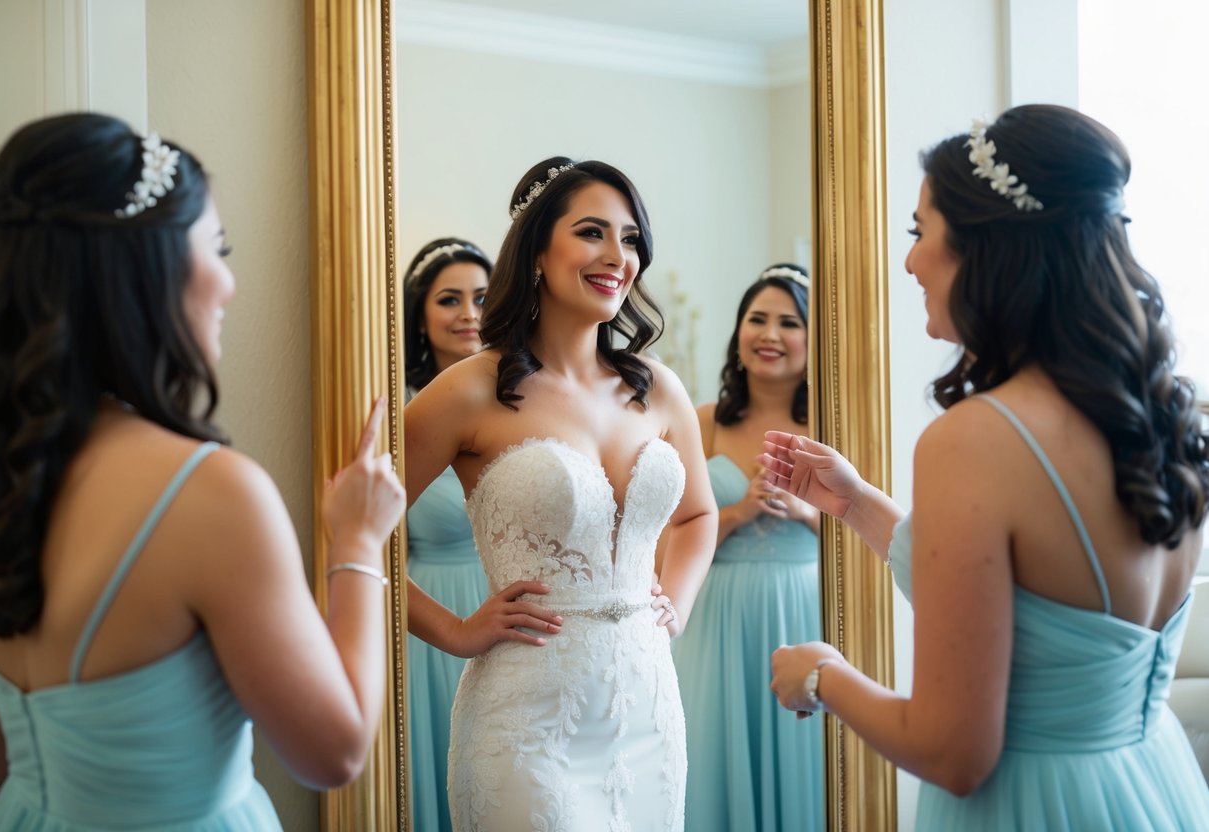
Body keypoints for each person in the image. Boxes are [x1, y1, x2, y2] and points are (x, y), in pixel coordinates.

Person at [765, 104, 1209, 829]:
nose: (908, 262)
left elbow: (953, 754)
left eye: (917, 233)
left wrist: (821, 673)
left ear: (984, 246)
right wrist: (855, 504)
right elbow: (1042, 611)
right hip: (1149, 785)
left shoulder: (976, 437)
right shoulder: (1159, 417)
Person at [0, 113, 405, 830]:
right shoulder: (207, 493)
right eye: (216, 246)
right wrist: (358, 544)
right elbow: (333, 754)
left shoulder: (13, 475)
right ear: (147, 269)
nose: (229, 282)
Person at [403, 156, 718, 831]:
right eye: (592, 232)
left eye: (630, 238)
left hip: (648, 711)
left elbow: (696, 513)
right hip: (525, 722)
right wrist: (454, 632)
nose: (617, 255)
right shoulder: (467, 390)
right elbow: (349, 534)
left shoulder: (656, 387)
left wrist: (677, 604)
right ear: (537, 253)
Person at [671, 264, 824, 831]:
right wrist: (737, 512)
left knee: (800, 751)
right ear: (738, 334)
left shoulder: (832, 421)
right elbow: (666, 535)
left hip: (801, 606)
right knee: (717, 745)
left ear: (812, 339)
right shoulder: (704, 422)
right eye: (756, 318)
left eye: (789, 322)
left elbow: (865, 538)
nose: (770, 334)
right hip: (720, 612)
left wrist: (806, 510)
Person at [400, 237, 493, 831]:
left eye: (483, 297)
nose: (469, 313)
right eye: (450, 299)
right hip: (429, 622)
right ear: (419, 315)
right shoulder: (399, 415)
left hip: (515, 611)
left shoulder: (524, 402)